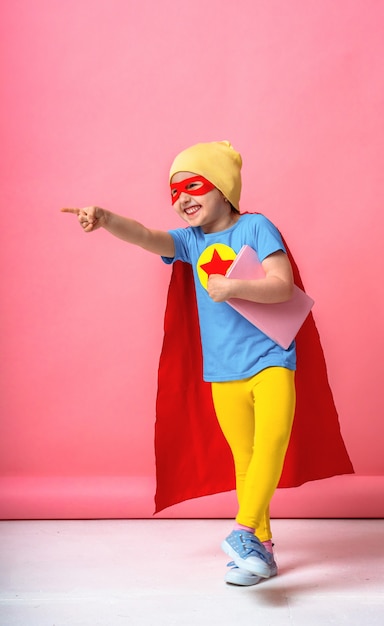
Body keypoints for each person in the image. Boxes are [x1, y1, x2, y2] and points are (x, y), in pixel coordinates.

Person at [62, 140, 303, 586]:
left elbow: (282, 286)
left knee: (272, 444)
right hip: (223, 370)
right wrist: (107, 218)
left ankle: (243, 530)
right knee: (245, 460)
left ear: (223, 187)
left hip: (271, 358)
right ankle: (261, 550)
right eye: (175, 192)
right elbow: (146, 236)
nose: (183, 199)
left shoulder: (255, 227)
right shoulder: (190, 243)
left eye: (194, 186)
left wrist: (233, 289)